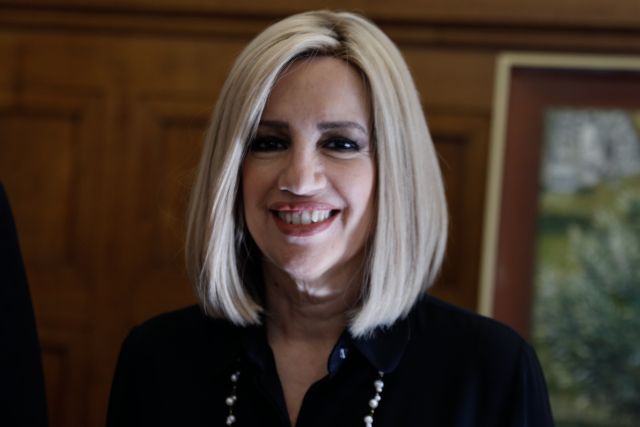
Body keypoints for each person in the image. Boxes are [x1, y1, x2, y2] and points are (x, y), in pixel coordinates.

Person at [107, 10, 554, 427]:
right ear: (231, 171)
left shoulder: (492, 371)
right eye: (269, 142)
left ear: (395, 173)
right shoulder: (156, 360)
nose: (300, 180)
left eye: (340, 143)